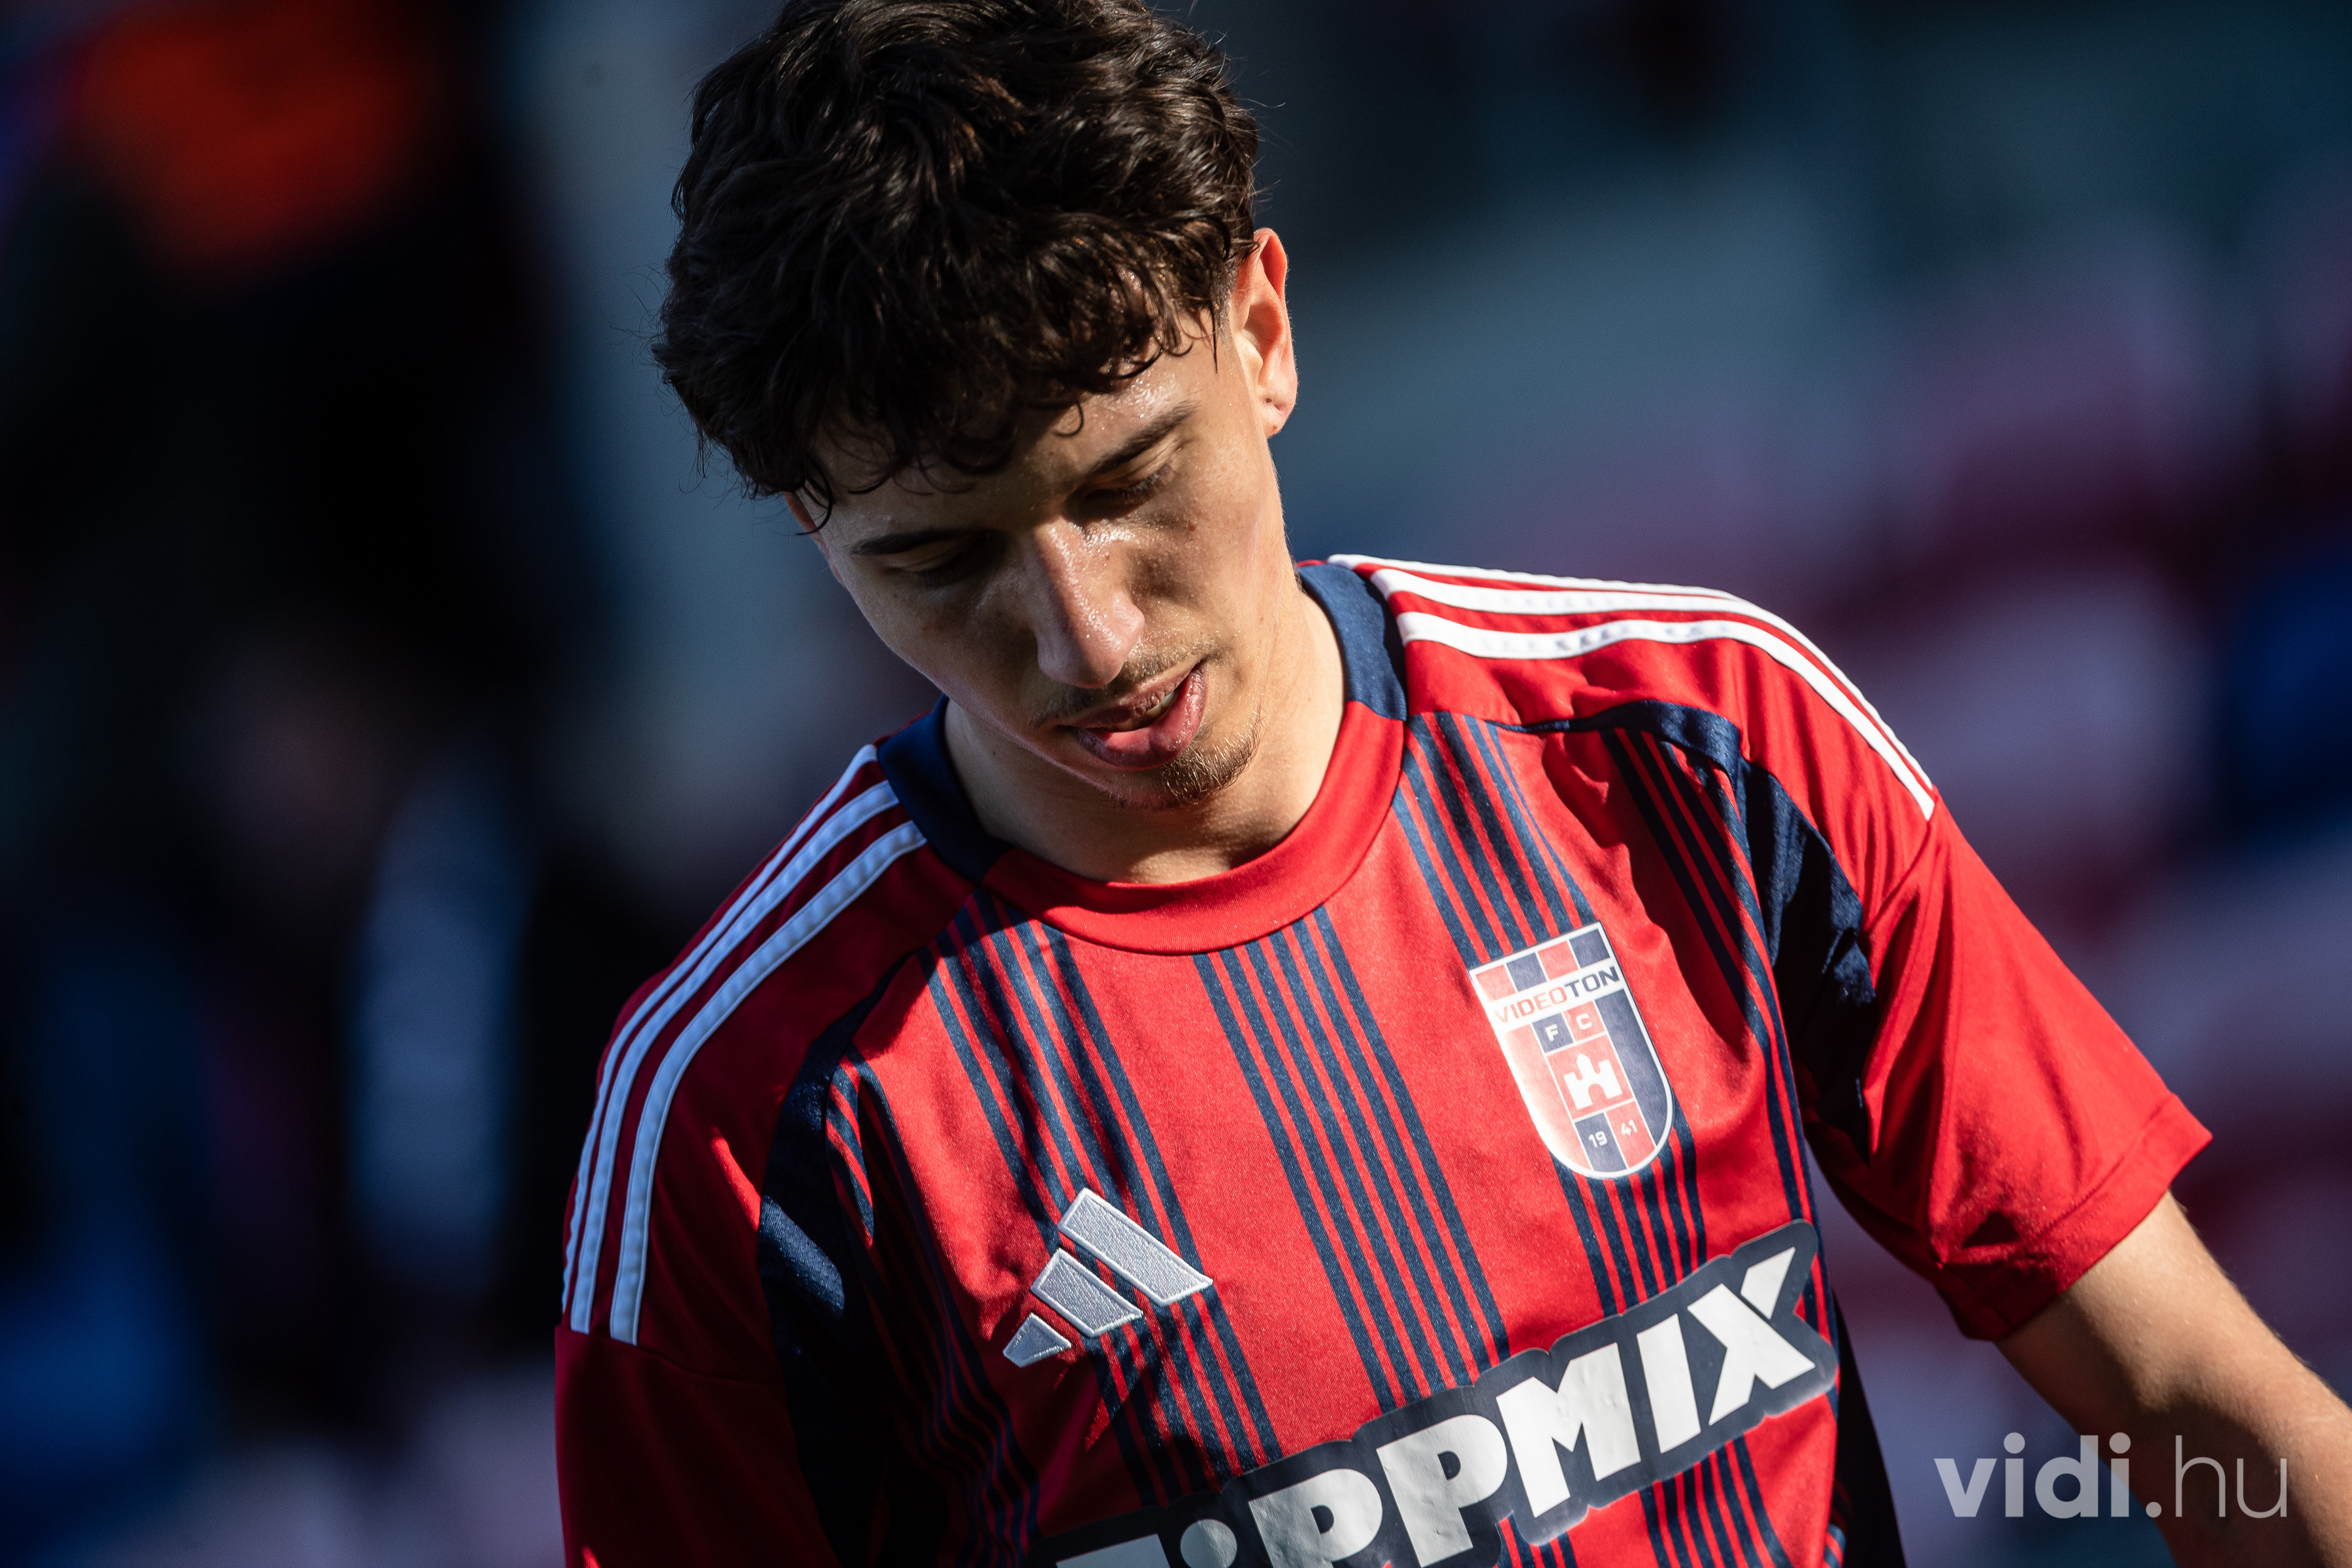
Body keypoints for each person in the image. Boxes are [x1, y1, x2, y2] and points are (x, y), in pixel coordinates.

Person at [551, 3, 2352, 1565]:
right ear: (811, 525)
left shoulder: (1696, 736)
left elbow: (2191, 1395)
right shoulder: (740, 1115)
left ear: (1261, 330)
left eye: (1129, 481)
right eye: (941, 562)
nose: (1085, 639)